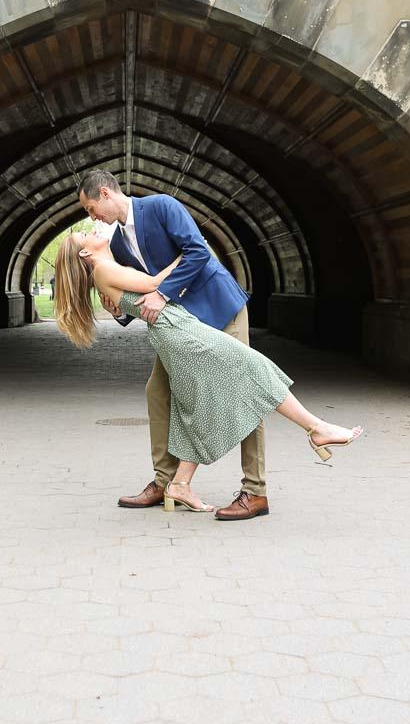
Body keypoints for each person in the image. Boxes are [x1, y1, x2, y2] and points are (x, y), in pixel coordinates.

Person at [53, 228, 362, 513]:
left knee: (199, 406)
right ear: (83, 253)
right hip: (180, 332)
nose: (92, 228)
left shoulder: (108, 267)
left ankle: (179, 484)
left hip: (177, 330)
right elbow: (152, 285)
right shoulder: (104, 269)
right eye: (84, 235)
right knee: (254, 367)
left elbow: (133, 297)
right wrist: (187, 254)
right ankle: (317, 429)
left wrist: (120, 306)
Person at [77, 170, 268, 519]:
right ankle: (165, 482)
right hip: (182, 328)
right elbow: (138, 293)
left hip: (219, 307)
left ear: (105, 193)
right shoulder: (117, 243)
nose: (92, 218)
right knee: (158, 392)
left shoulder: (162, 206)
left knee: (245, 387)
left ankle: (255, 491)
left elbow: (197, 252)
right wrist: (117, 309)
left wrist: (163, 294)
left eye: (91, 208)